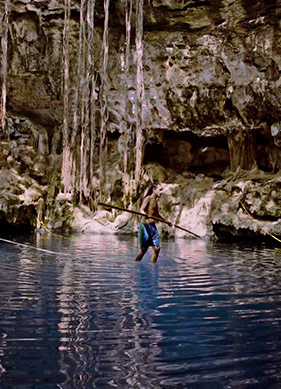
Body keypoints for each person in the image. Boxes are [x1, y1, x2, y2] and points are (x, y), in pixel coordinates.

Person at [134, 183, 173, 263]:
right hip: (145, 226)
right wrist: (144, 213)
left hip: (152, 226)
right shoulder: (148, 198)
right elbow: (141, 209)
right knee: (144, 250)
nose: (161, 192)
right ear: (154, 190)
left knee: (157, 248)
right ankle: (136, 263)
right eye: (160, 190)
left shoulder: (155, 201)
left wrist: (167, 222)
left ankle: (152, 266)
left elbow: (157, 215)